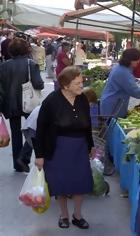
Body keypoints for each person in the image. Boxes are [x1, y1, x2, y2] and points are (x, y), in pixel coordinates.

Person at [34, 66, 94, 229]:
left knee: (80, 181)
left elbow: (87, 125)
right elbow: (41, 130)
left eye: (82, 82)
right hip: (57, 148)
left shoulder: (82, 100)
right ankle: (64, 215)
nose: (81, 86)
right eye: (77, 83)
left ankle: (77, 215)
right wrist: (39, 155)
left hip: (79, 146)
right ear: (65, 85)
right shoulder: (51, 101)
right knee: (60, 182)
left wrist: (91, 145)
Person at [0, 38, 44, 172]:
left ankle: (17, 164)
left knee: (16, 133)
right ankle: (24, 156)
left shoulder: (3, 66)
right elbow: (38, 84)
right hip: (29, 103)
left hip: (10, 104)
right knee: (34, 129)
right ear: (26, 50)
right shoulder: (31, 64)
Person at [100, 48, 140, 118]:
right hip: (112, 105)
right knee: (111, 126)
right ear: (129, 60)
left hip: (112, 102)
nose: (138, 61)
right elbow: (134, 91)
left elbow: (127, 82)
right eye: (136, 59)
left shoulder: (121, 67)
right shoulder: (123, 72)